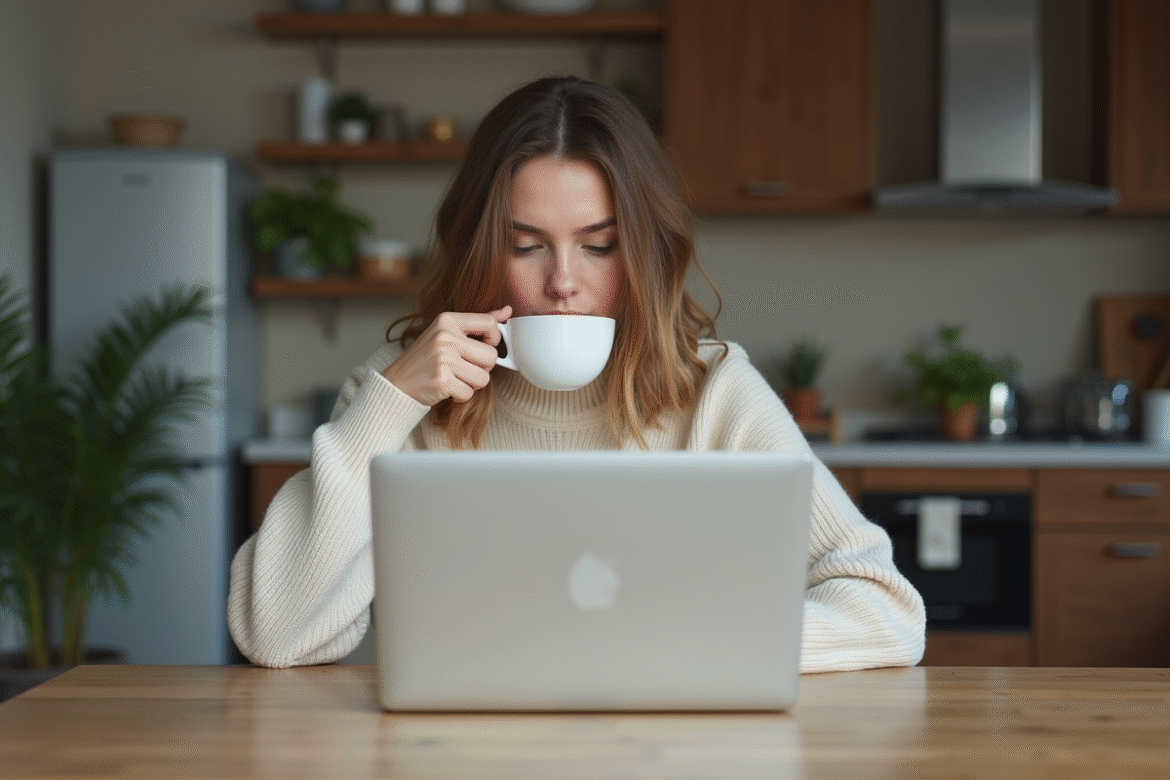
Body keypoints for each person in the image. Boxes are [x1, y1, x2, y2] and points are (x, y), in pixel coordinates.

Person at [228, 76, 925, 673]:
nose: (563, 282)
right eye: (525, 246)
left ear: (644, 250)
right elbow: (276, 635)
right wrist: (391, 402)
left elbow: (887, 609)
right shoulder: (398, 393)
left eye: (599, 246)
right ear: (480, 249)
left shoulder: (713, 391)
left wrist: (688, 649)